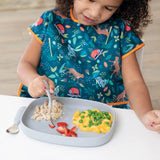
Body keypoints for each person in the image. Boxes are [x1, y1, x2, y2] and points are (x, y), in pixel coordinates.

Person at [17, 0, 160, 133]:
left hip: (103, 115)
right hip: (50, 109)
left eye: (108, 8)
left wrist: (146, 114)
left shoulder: (121, 30)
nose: (94, 13)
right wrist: (33, 80)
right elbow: (25, 64)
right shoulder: (49, 21)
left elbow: (134, 82)